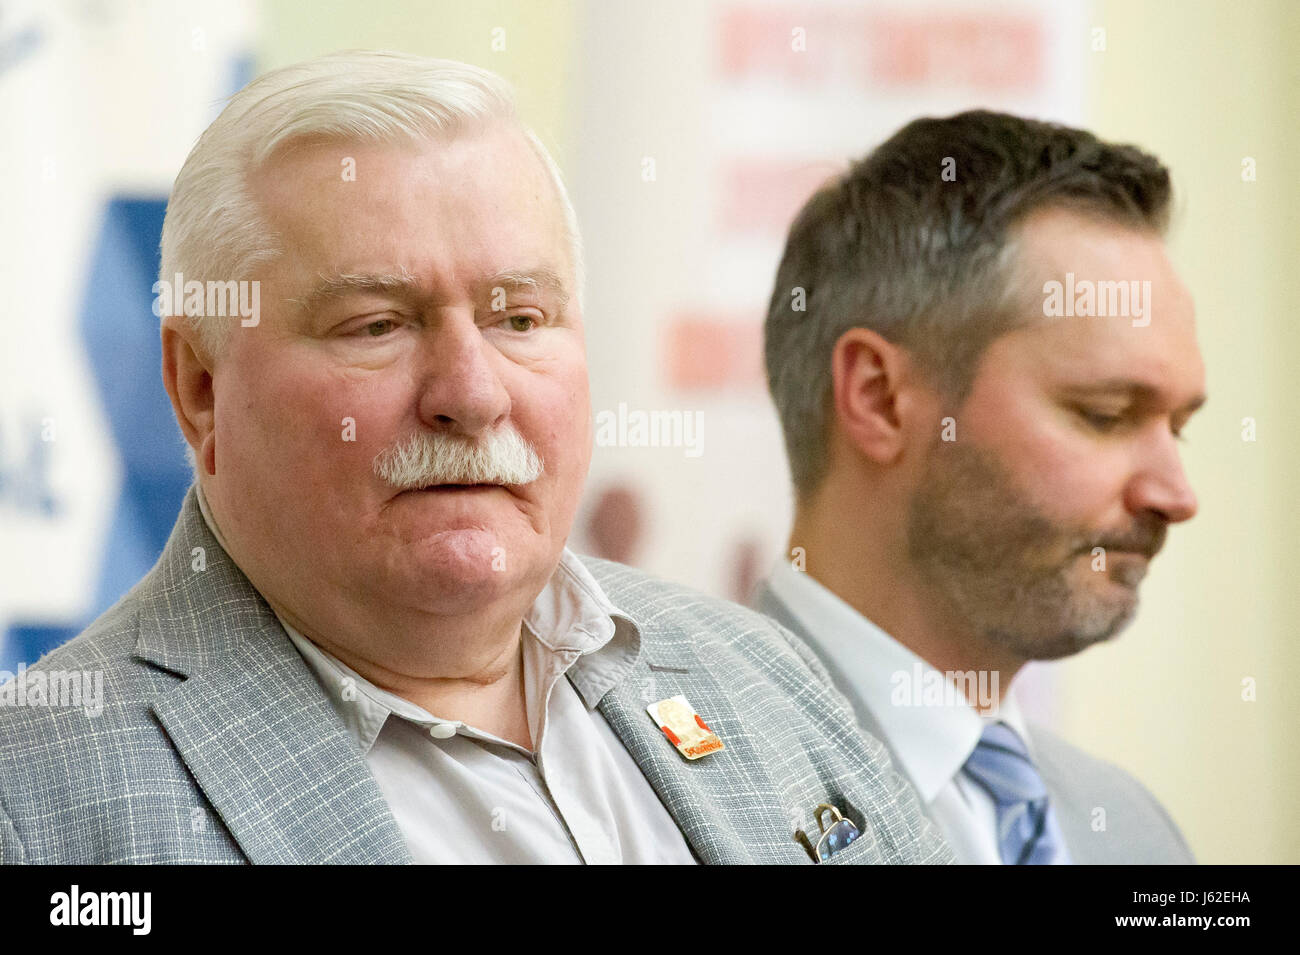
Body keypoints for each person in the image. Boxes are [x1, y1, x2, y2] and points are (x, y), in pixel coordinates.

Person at [0, 51, 950, 865]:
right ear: (200, 386)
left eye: (519, 318)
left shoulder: (761, 672)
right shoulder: (38, 802)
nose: (473, 391)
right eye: (375, 324)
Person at [754, 110, 1203, 864]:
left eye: (1178, 426)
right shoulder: (648, 795)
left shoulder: (1131, 830)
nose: (1176, 493)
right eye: (1106, 414)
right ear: (880, 399)